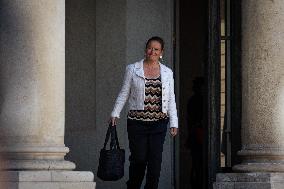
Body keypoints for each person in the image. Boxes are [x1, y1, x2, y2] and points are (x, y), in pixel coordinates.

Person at [109, 36, 178, 189]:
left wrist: (174, 122)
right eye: (150, 48)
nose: (152, 51)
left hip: (159, 124)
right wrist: (115, 113)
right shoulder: (133, 69)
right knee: (139, 159)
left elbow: (171, 98)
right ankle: (133, 186)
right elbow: (124, 93)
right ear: (145, 49)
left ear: (161, 52)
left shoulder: (167, 72)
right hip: (137, 123)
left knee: (155, 163)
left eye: (156, 49)